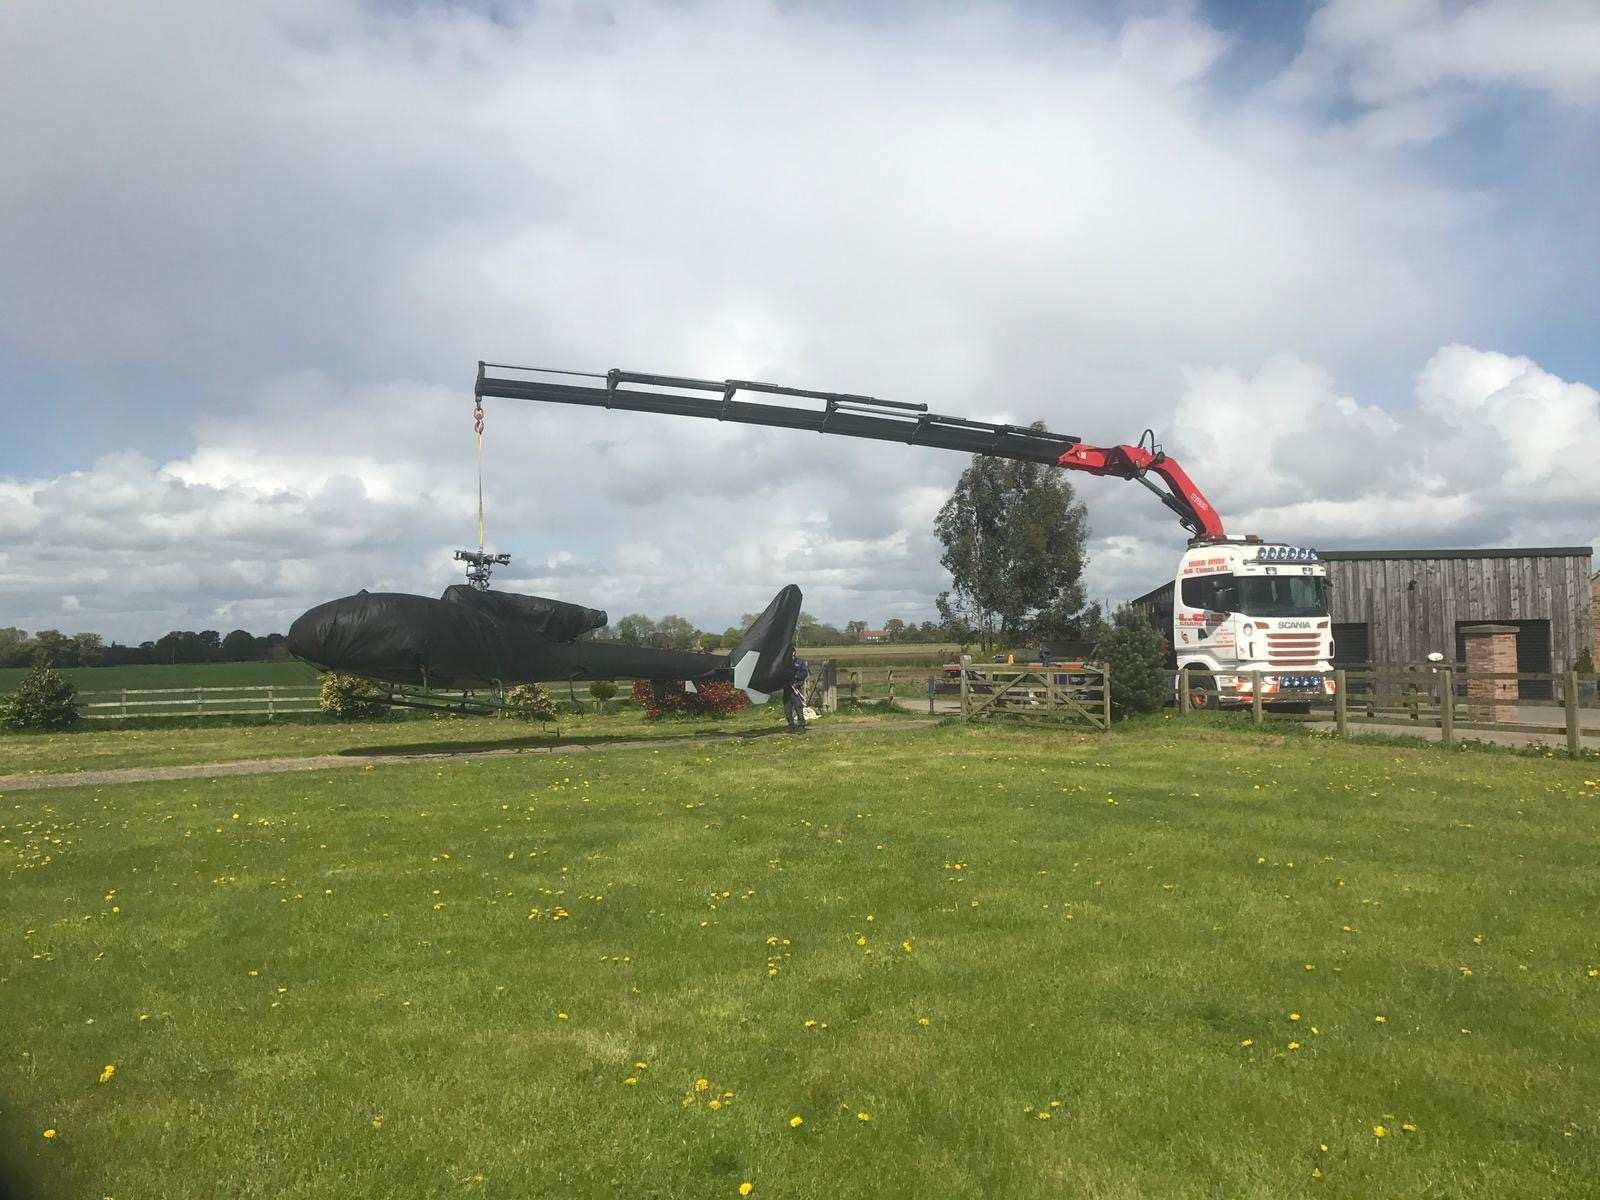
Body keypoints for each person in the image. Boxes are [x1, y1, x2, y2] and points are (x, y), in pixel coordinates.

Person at [785, 651, 810, 733]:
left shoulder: (800, 663)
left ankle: (801, 726)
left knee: (798, 707)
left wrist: (795, 676)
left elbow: (805, 673)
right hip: (787, 688)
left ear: (794, 653)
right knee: (787, 709)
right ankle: (791, 725)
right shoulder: (784, 663)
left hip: (796, 688)